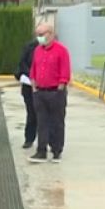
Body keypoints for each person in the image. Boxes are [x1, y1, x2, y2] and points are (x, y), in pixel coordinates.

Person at [27, 22, 71, 164]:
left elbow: (65, 72)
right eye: (37, 35)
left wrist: (60, 88)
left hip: (55, 92)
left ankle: (56, 150)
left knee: (57, 122)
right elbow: (33, 69)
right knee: (41, 122)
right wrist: (34, 85)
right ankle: (41, 150)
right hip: (40, 92)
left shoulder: (61, 50)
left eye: (41, 35)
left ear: (51, 34)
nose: (39, 38)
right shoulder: (38, 50)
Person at [15, 37, 40, 149]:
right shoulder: (29, 47)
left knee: (45, 115)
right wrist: (32, 75)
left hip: (44, 85)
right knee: (31, 112)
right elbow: (22, 63)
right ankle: (29, 138)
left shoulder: (54, 49)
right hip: (29, 84)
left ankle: (45, 140)